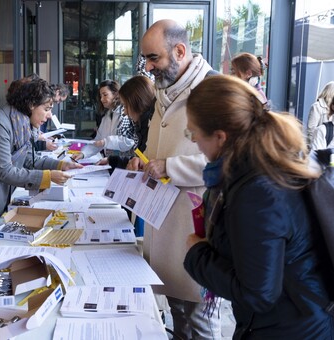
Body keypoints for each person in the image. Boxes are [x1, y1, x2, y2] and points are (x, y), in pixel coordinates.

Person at [183, 75, 334, 339]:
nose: (193, 140)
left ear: (220, 137)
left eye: (192, 132)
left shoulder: (259, 191)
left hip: (298, 329)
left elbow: (258, 294)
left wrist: (197, 253)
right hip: (298, 319)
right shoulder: (263, 165)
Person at [128, 19, 220, 339]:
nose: (148, 67)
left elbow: (233, 160)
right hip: (164, 227)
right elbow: (158, 149)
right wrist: (144, 163)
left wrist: (170, 167)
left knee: (200, 324)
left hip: (196, 230)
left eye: (154, 58)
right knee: (178, 319)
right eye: (146, 59)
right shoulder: (164, 91)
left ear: (179, 51)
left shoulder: (214, 90)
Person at [0, 78, 81, 234]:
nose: (49, 115)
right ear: (31, 104)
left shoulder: (21, 125)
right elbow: (5, 170)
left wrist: (60, 165)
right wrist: (47, 177)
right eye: (47, 109)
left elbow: (26, 159)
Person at [74, 80, 138, 160]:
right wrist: (83, 153)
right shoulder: (106, 116)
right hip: (111, 161)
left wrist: (106, 143)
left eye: (105, 95)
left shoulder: (125, 114)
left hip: (124, 163)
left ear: (115, 94)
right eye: (101, 96)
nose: (101, 99)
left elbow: (129, 144)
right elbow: (98, 141)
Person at [107, 75, 156, 170]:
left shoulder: (149, 127)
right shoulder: (141, 124)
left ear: (137, 104)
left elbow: (136, 154)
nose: (125, 112)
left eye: (126, 106)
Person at [306, 81, 334, 145]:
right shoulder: (317, 106)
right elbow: (311, 131)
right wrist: (314, 148)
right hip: (317, 146)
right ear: (332, 93)